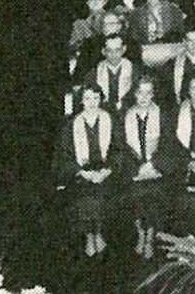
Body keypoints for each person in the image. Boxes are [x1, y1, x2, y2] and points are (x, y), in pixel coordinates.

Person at [118, 76, 174, 259]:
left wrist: (153, 164)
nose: (144, 97)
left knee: (154, 193)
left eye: (148, 92)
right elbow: (122, 147)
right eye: (140, 92)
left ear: (153, 94)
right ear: (134, 94)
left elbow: (168, 144)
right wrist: (137, 169)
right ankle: (140, 233)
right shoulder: (125, 115)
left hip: (156, 167)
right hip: (133, 168)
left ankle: (150, 236)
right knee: (135, 193)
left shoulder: (162, 115)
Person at [56, 85, 115, 258]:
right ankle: (93, 235)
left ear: (101, 100)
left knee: (101, 193)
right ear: (81, 101)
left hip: (106, 171)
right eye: (88, 98)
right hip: (82, 172)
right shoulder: (71, 125)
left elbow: (118, 150)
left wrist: (107, 171)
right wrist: (82, 172)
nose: (92, 103)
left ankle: (96, 234)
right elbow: (65, 157)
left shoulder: (110, 120)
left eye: (96, 98)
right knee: (85, 193)